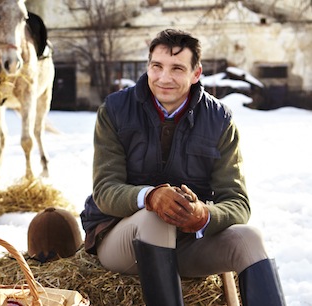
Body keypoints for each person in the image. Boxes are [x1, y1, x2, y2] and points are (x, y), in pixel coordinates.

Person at [80, 29, 286, 306]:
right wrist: (151, 197)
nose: (164, 78)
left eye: (177, 68)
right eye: (157, 66)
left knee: (250, 238)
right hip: (121, 239)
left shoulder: (220, 120)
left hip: (188, 244)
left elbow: (237, 203)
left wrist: (204, 215)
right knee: (156, 217)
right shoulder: (115, 109)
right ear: (148, 66)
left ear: (195, 73)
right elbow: (105, 190)